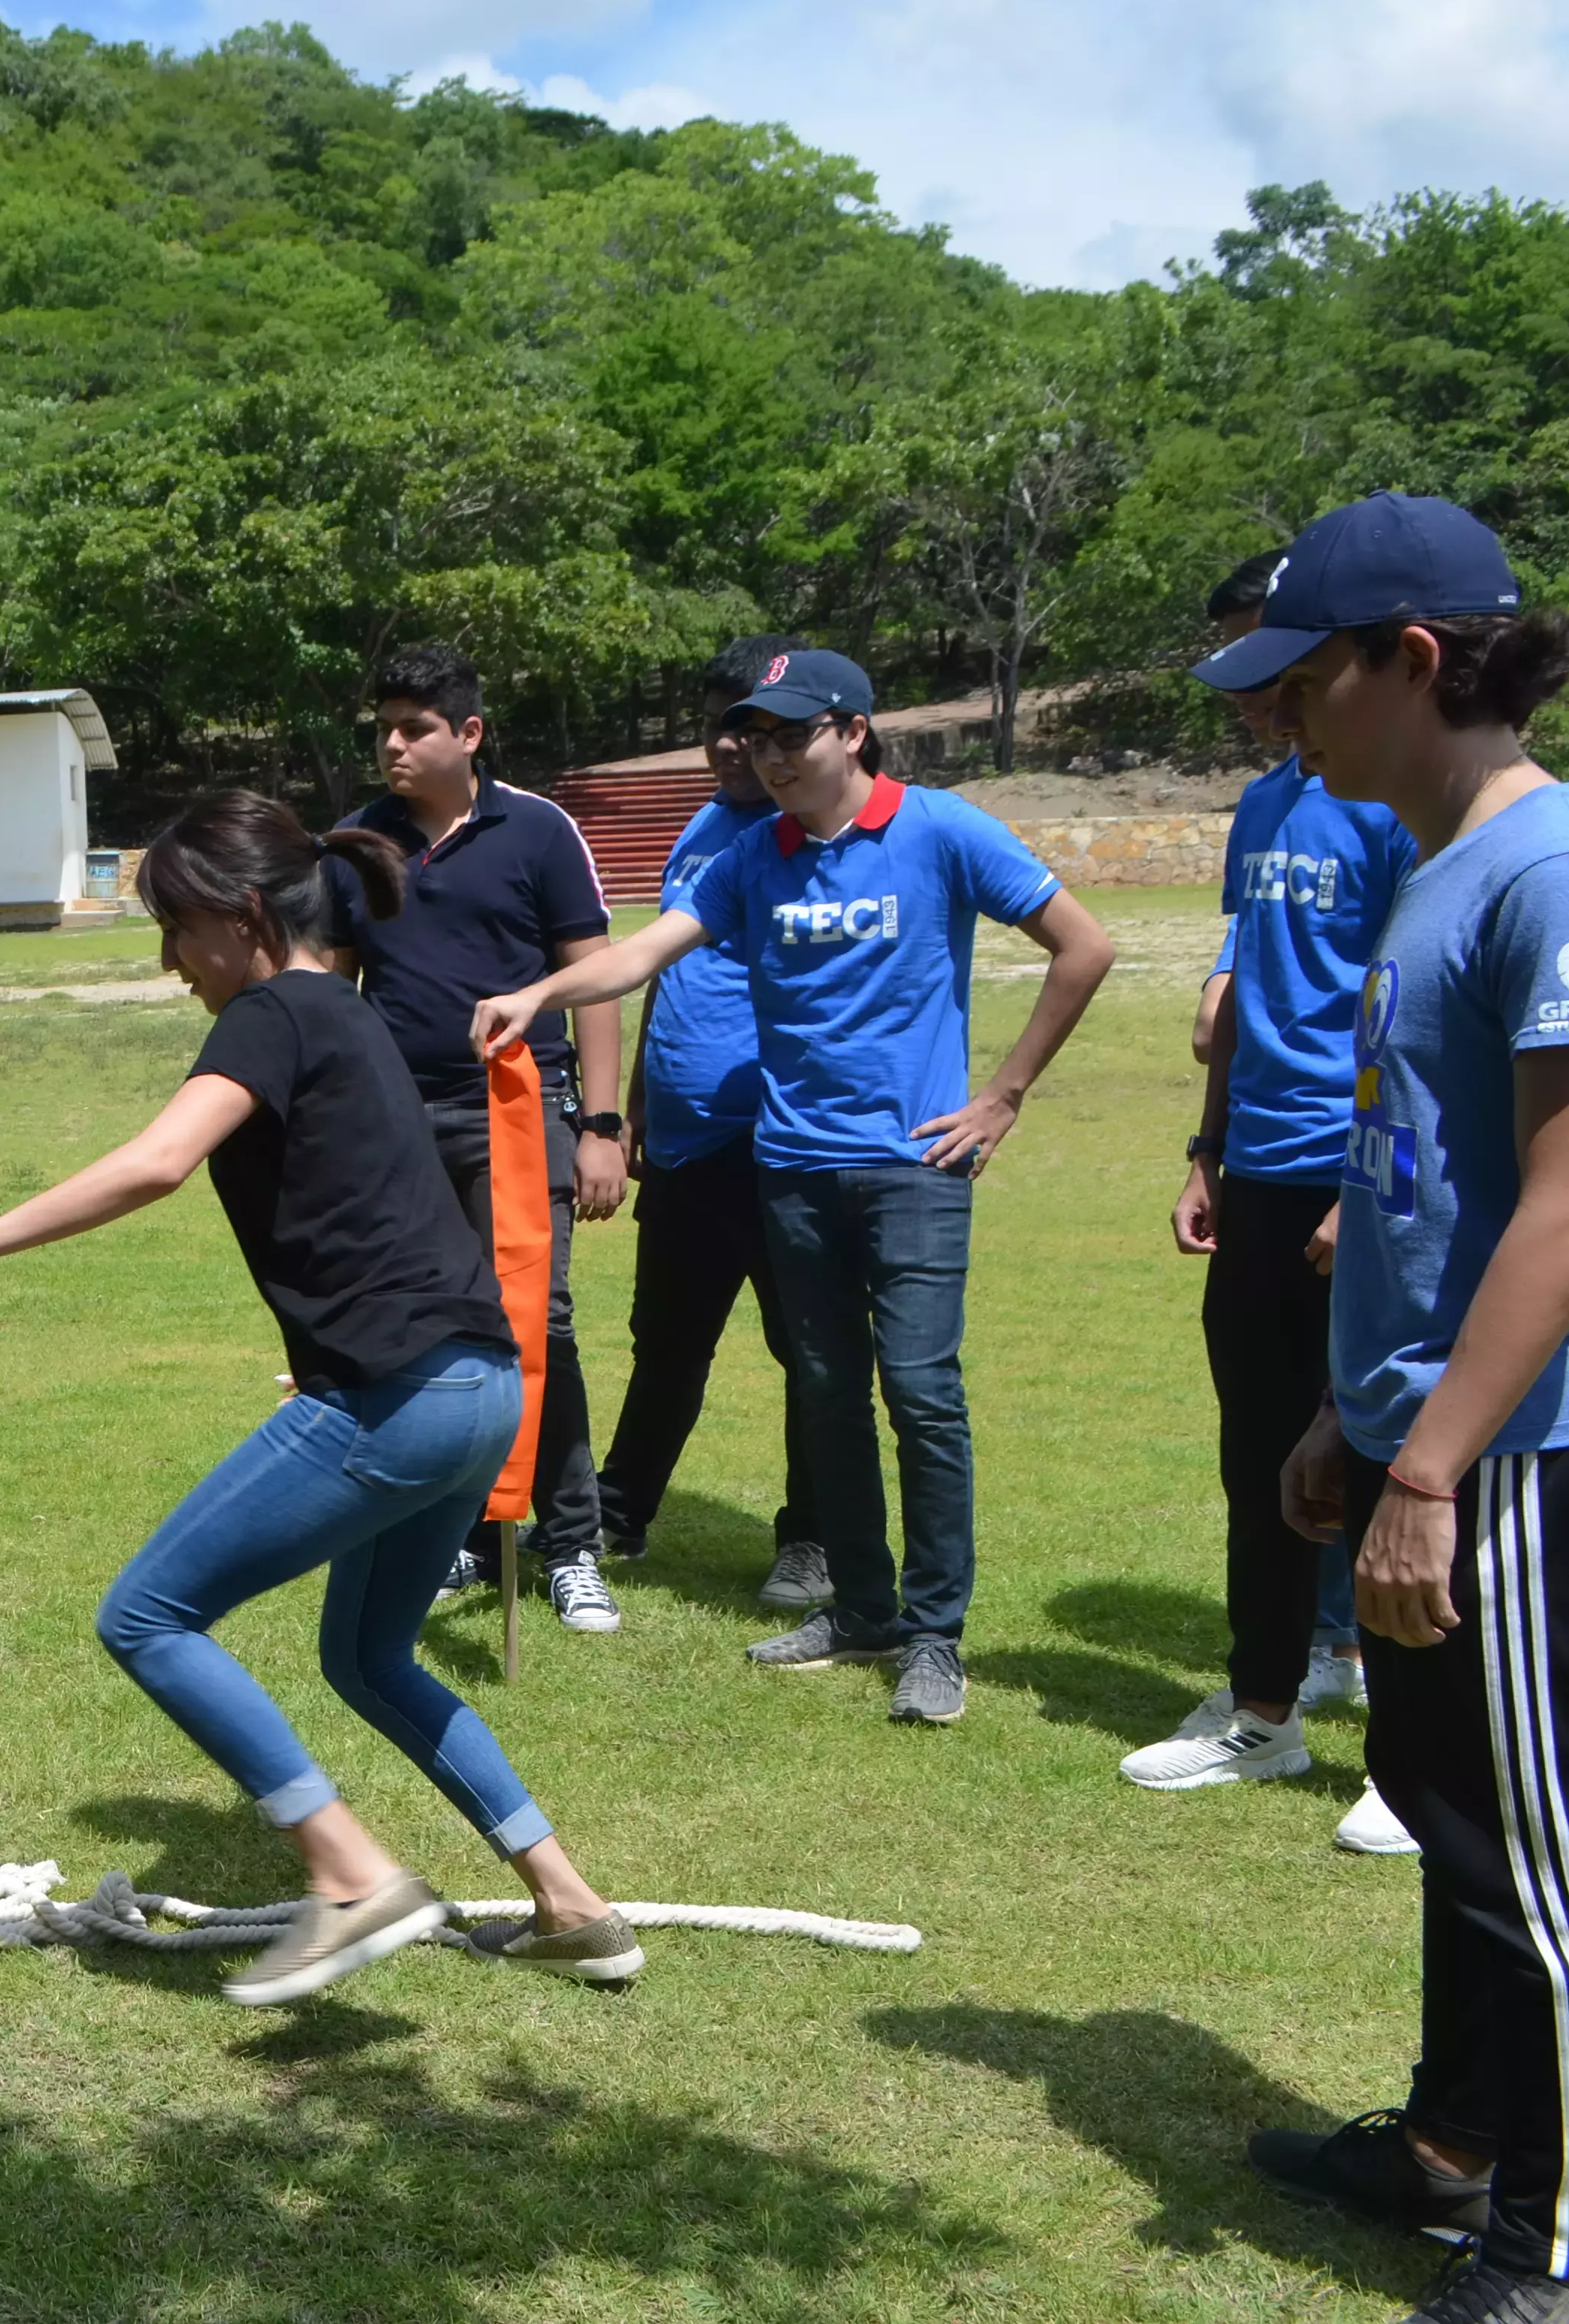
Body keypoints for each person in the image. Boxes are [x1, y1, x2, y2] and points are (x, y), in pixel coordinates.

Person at [0, 790, 641, 2001]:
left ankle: (350, 1875)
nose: (171, 964)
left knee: (148, 1617)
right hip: (481, 1387)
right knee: (371, 1658)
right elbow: (384, 1205)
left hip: (404, 1394)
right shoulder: (361, 1020)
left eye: (177, 929)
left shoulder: (273, 1012)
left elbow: (159, 1160)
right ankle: (573, 1907)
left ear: (248, 916)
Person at [473, 649, 1116, 1726]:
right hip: (792, 1166)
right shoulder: (749, 858)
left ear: (852, 733)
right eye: (756, 738)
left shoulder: (940, 829)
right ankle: (861, 1608)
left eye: (792, 735)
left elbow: (1083, 945)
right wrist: (538, 990)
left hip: (914, 1169)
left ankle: (932, 1634)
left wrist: (1003, 1094)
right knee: (826, 1392)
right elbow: (641, 958)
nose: (770, 756)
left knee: (921, 1395)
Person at [1222, 493, 1569, 2321]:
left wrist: (1431, 1462)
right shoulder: (1431, 866)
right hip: (1433, 1441)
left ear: (1411, 662)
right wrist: (1357, 1423)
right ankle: (1450, 2151)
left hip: (1521, 1463)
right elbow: (1436, 1191)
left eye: (1304, 680)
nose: (1282, 718)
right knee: (1453, 1825)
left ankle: (1547, 2243)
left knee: (1540, 1857)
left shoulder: (1544, 869)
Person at [1125, 552, 1415, 1844]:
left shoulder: (1396, 808)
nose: (1259, 698)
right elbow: (1244, 996)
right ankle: (1266, 1717)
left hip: (1367, 1173)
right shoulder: (1262, 809)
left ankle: (1408, 1761)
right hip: (1257, 1166)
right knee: (1259, 1450)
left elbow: (1412, 1016)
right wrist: (1206, 1148)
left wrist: (1367, 1180)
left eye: (1276, 666)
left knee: (1384, 1443)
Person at [318, 645, 628, 1635]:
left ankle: (570, 1542)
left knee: (543, 1321)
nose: (394, 746)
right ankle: (460, 1533)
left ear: (470, 734)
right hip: (402, 1126)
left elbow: (598, 982)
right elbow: (331, 994)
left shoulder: (537, 832)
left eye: (415, 728)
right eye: (385, 729)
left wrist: (603, 1127)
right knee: (436, 1333)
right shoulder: (357, 842)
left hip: (522, 1112)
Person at [593, 637, 830, 1613]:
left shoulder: (813, 838)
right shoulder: (703, 828)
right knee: (668, 1342)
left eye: (754, 726)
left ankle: (813, 1541)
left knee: (811, 1352)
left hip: (781, 1145)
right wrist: (641, 1099)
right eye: (718, 726)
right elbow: (663, 971)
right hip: (686, 1146)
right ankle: (620, 1509)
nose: (732, 745)